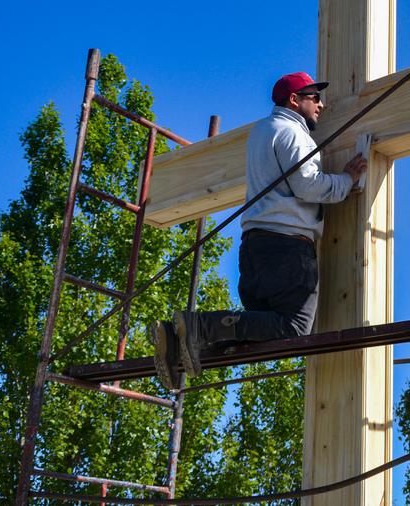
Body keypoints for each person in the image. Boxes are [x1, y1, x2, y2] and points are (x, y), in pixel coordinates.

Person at [151, 71, 367, 389]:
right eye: (314, 97)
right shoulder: (292, 133)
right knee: (293, 328)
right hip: (287, 247)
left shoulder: (262, 131)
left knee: (254, 333)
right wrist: (346, 180)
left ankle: (178, 345)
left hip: (255, 247)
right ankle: (199, 327)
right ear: (294, 100)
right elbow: (308, 185)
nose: (321, 104)